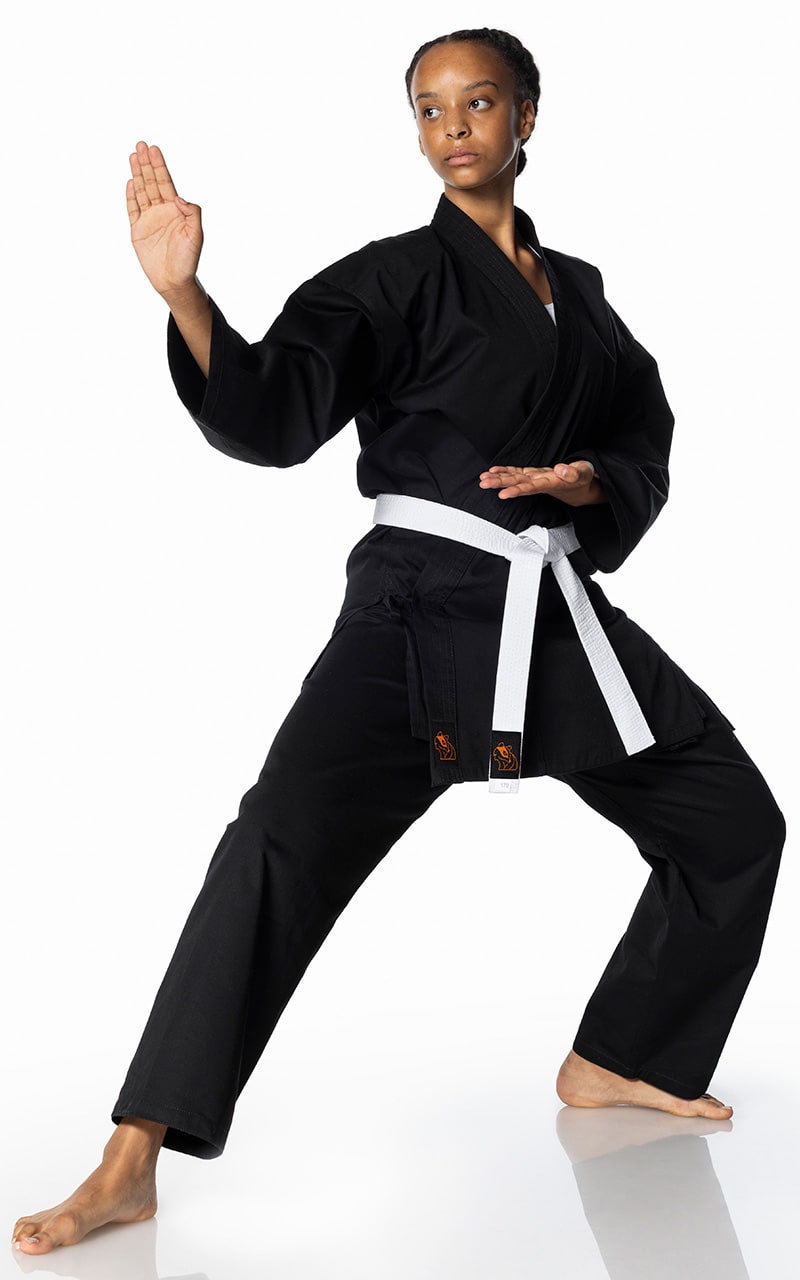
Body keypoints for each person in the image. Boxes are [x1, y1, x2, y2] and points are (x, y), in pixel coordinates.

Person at [12, 26, 785, 1257]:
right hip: (414, 610)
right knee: (276, 841)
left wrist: (588, 480)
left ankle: (622, 1054)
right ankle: (131, 1155)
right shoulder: (387, 279)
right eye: (429, 108)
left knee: (733, 820)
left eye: (478, 102)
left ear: (525, 115)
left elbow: (641, 429)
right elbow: (273, 412)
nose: (453, 127)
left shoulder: (580, 294)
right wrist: (187, 298)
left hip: (547, 612)